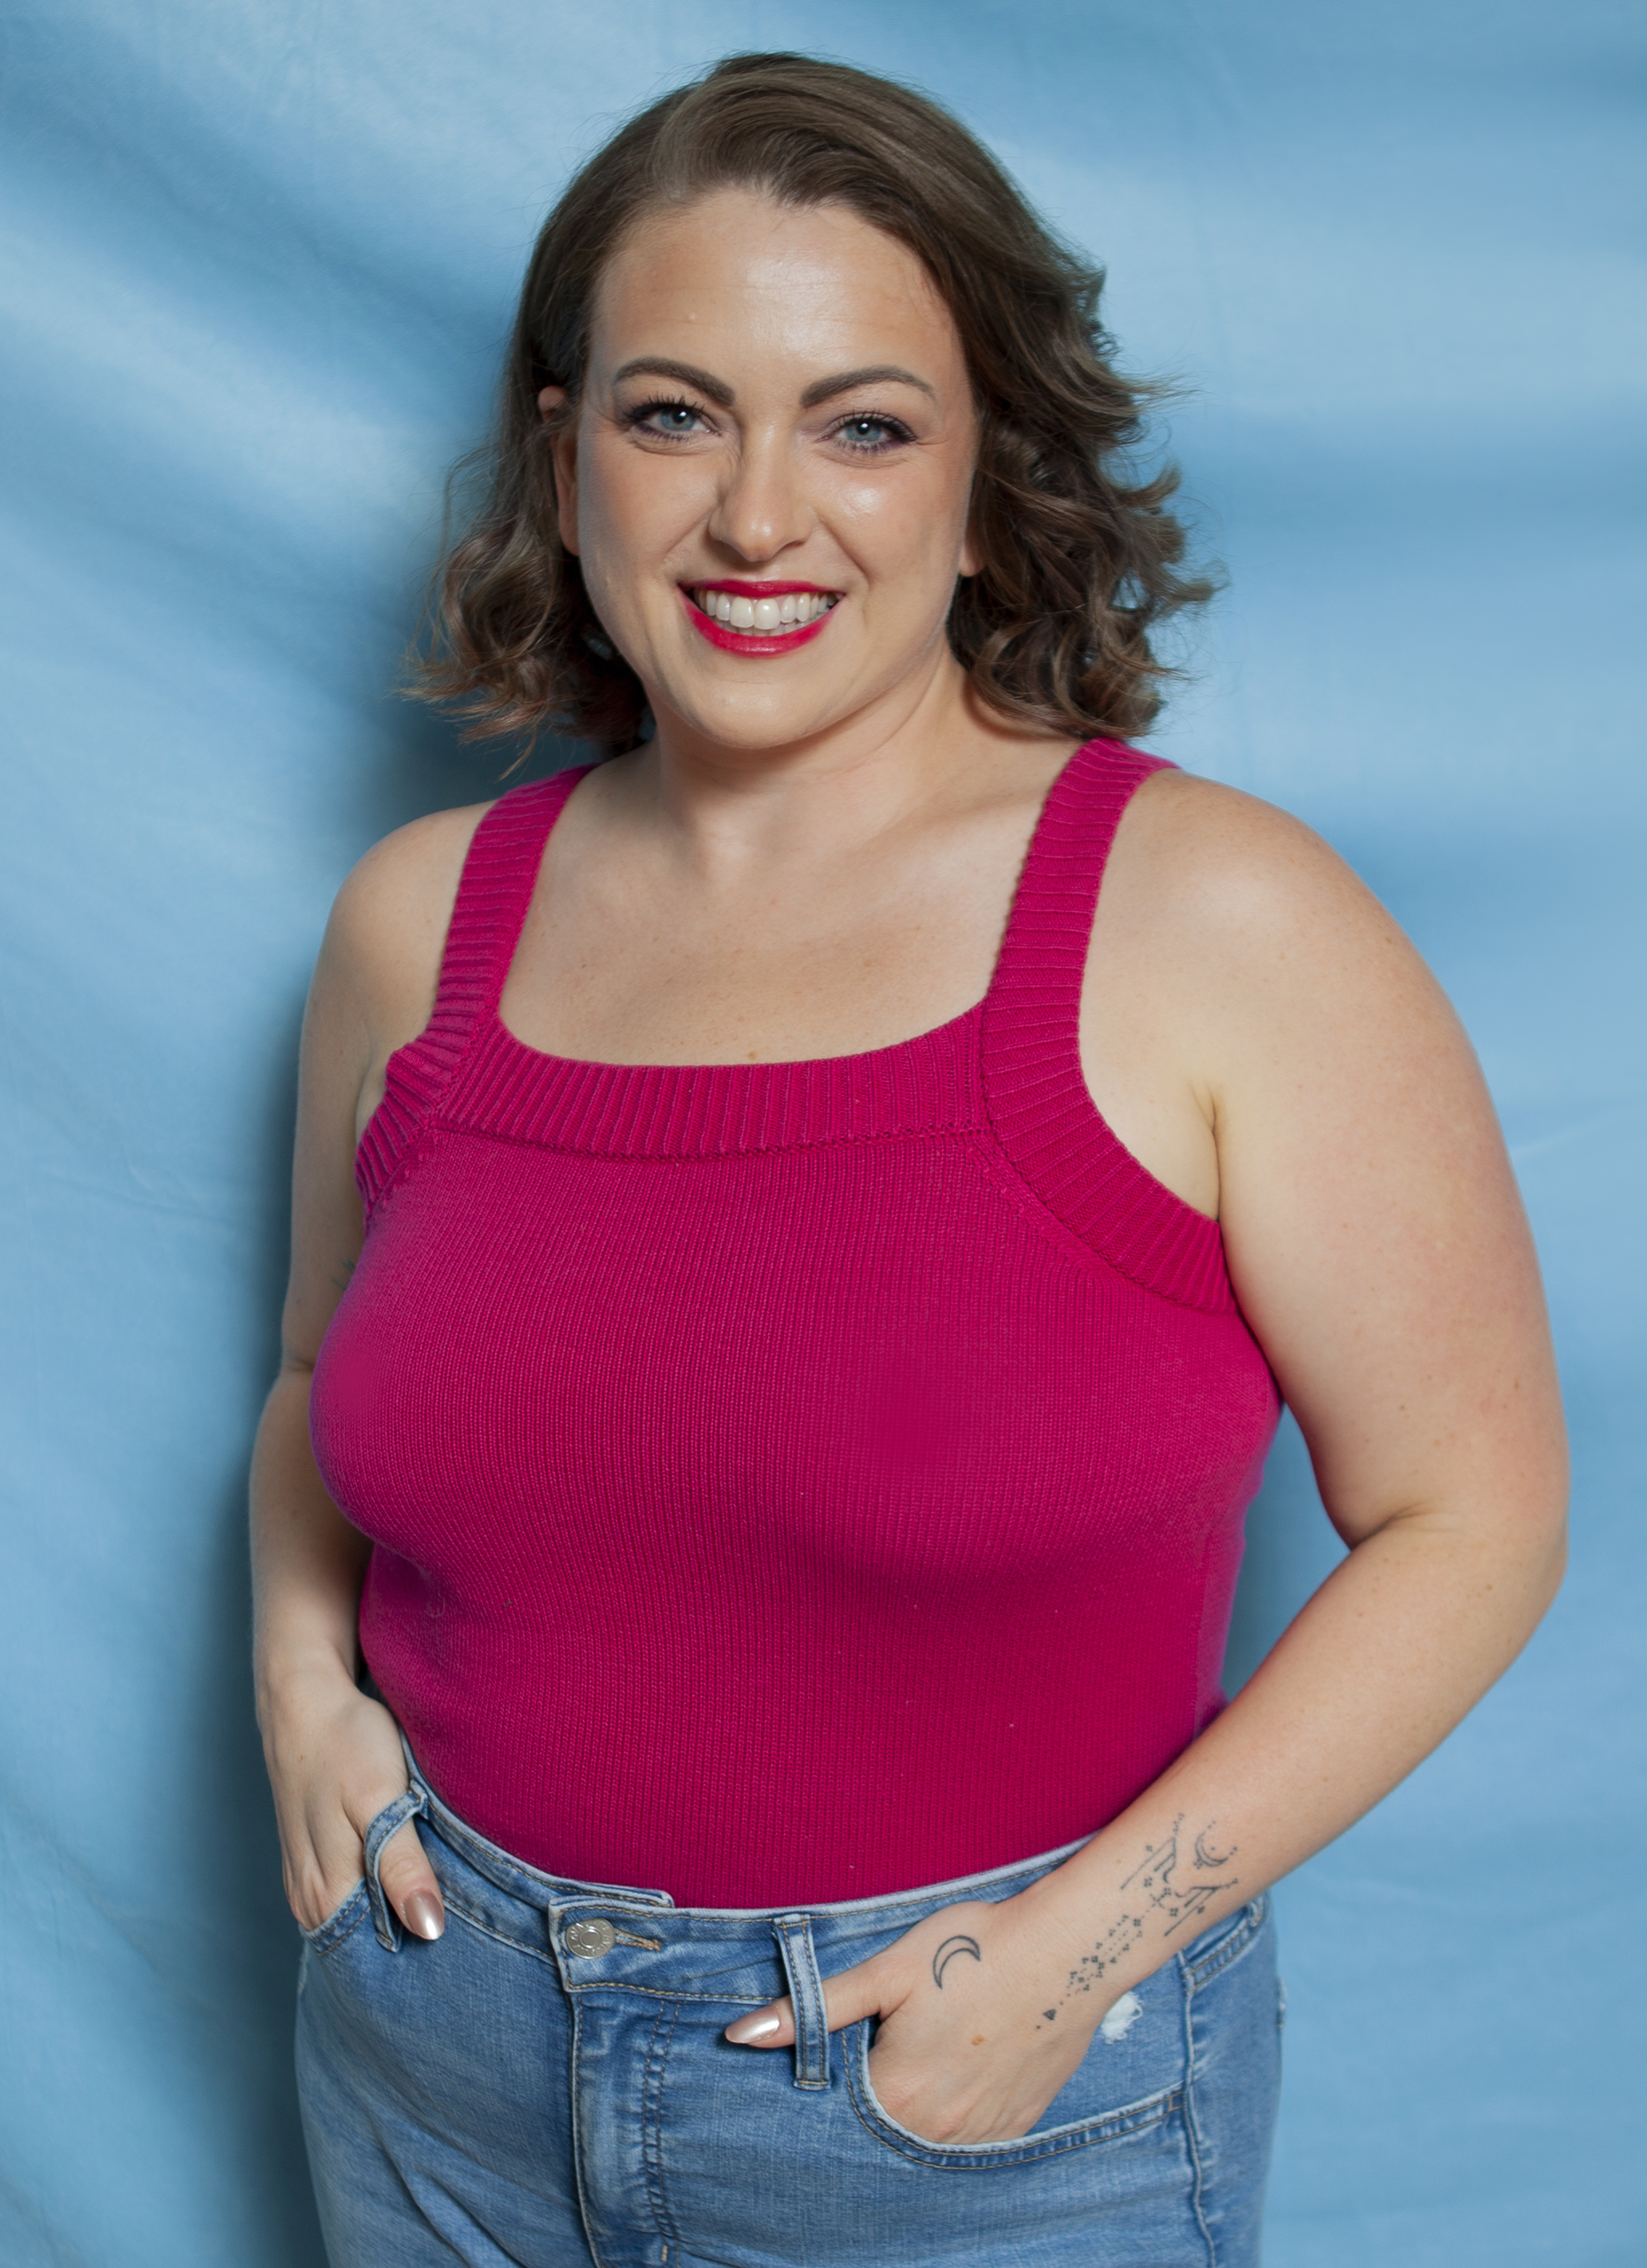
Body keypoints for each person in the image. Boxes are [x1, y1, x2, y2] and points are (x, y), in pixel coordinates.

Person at [250, 51, 1567, 2267]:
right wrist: (302, 1691)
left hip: (966, 2117)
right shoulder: (417, 923)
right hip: (431, 2061)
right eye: (677, 415)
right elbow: (314, 1385)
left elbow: (1478, 1515)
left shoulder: (1219, 924)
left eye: (862, 426)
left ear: (984, 486)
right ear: (566, 463)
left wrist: (1069, 1961)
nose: (759, 516)